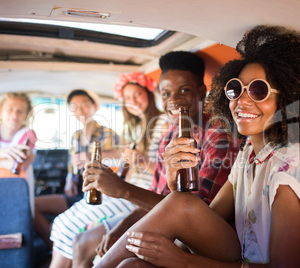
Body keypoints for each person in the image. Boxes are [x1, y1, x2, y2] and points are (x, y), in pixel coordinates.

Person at [94, 25, 300, 267]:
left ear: (287, 99)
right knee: (131, 265)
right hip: (244, 255)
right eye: (235, 89)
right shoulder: (249, 153)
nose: (241, 101)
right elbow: (200, 216)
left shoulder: (292, 163)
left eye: (259, 90)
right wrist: (175, 186)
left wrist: (184, 262)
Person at [82, 51, 240, 265]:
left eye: (183, 90)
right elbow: (159, 200)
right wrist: (121, 229)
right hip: (177, 233)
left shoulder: (219, 132)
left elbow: (193, 211)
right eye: (166, 94)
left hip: (209, 241)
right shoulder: (170, 134)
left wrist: (123, 190)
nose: (173, 100)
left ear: (201, 92)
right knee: (127, 263)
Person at [48, 73, 167, 268]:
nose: (133, 101)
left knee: (71, 228)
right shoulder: (136, 127)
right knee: (61, 222)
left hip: (143, 193)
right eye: (128, 98)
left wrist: (141, 161)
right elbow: (127, 165)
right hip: (126, 185)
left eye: (138, 94)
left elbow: (166, 173)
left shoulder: (162, 123)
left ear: (149, 93)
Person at [34, 89, 119, 250]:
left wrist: (92, 156)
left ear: (94, 106)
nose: (80, 110)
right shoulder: (76, 136)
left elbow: (121, 156)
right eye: (75, 107)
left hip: (98, 193)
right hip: (79, 189)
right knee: (33, 205)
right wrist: (68, 179)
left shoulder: (108, 133)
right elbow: (73, 162)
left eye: (85, 105)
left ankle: (60, 250)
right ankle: (54, 249)